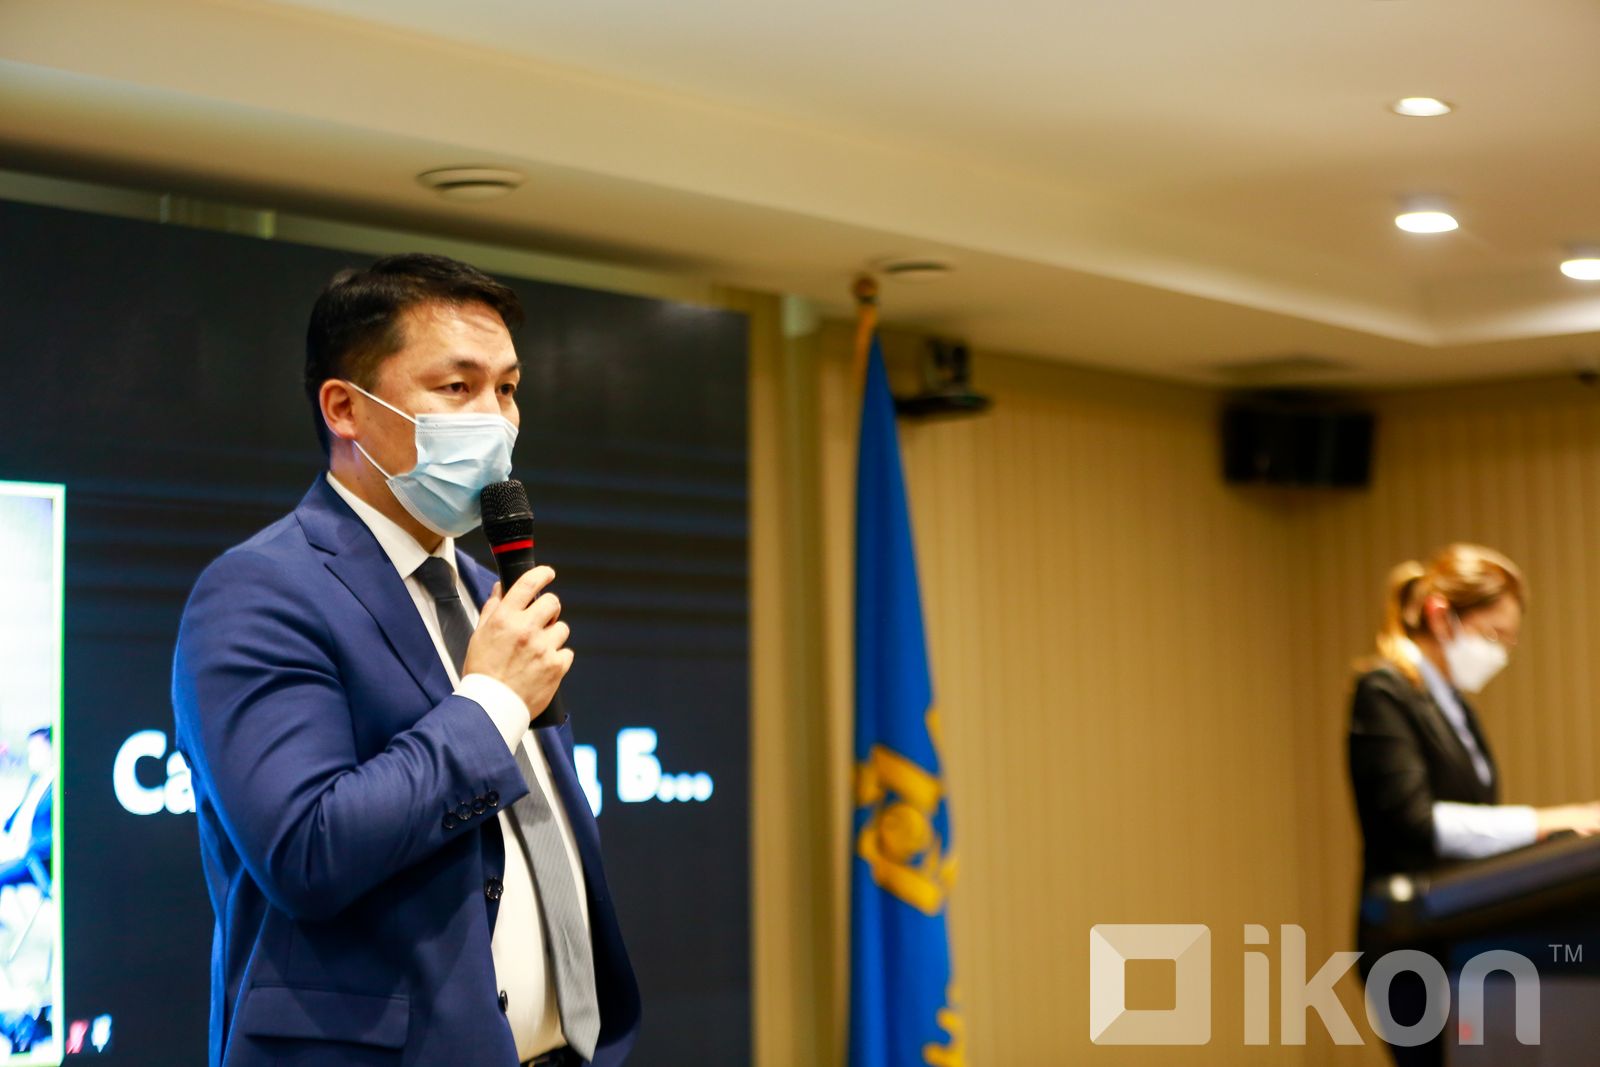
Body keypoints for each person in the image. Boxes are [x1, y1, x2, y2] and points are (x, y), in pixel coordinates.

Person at [173, 253, 639, 1067]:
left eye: (507, 388)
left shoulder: (490, 592)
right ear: (345, 407)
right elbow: (307, 850)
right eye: (457, 387)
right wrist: (491, 701)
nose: (495, 419)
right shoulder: (258, 590)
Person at [1347, 543, 1600, 1067]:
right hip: (1410, 943)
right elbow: (1416, 822)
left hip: (1464, 934)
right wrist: (1552, 819)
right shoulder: (1384, 691)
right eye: (1492, 635)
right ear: (1442, 616)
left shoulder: (1456, 710)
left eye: (1508, 641)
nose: (1500, 654)